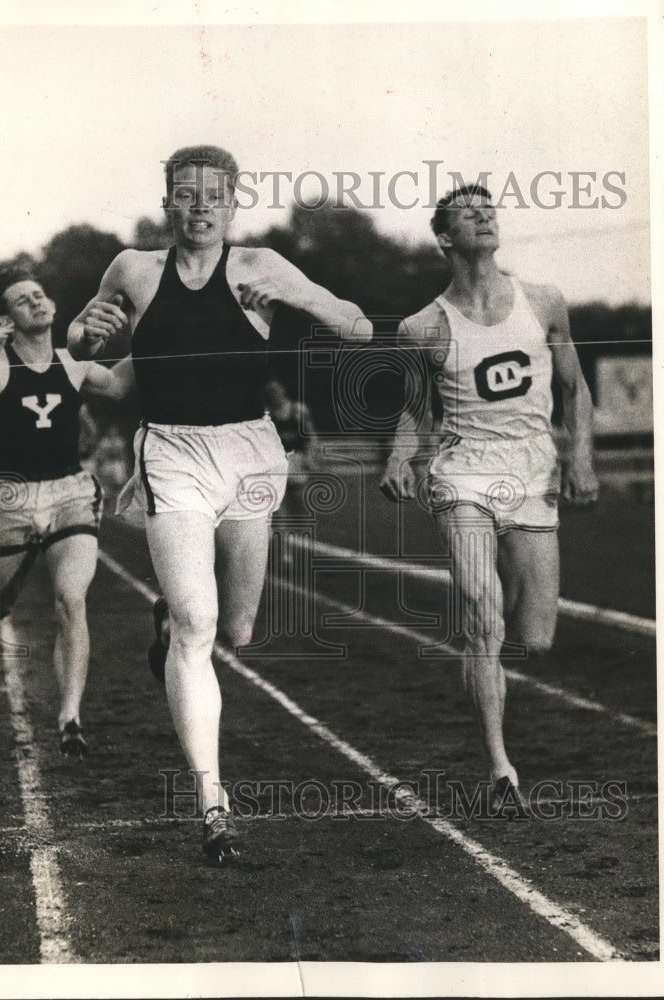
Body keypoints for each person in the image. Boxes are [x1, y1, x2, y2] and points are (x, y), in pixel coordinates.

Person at [68, 144, 372, 861]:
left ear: (233, 203)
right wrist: (88, 333)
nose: (199, 206)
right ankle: (213, 804)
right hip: (172, 451)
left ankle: (172, 623)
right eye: (185, 193)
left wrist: (302, 301)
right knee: (196, 623)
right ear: (166, 200)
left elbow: (356, 325)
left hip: (251, 453)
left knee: (235, 629)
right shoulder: (132, 268)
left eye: (213, 195)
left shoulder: (260, 266)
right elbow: (81, 337)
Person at [380, 184, 598, 817]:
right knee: (482, 612)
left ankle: (488, 670)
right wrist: (398, 456)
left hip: (532, 476)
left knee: (535, 638)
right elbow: (416, 410)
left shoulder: (545, 302)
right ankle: (501, 765)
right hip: (462, 475)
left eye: (488, 208)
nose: (483, 215)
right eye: (466, 212)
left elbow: (575, 386)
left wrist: (580, 457)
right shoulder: (421, 327)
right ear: (444, 238)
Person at [0, 266, 134, 757]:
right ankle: (8, 591)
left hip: (70, 492)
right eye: (24, 301)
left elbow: (123, 384)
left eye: (41, 295)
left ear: (54, 306)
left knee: (70, 599)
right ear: (7, 318)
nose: (37, 303)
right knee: (1, 600)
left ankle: (70, 716)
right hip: (10, 499)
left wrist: (152, 330)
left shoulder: (74, 362)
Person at [265, 378, 320, 522]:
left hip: (296, 460)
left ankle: (304, 537)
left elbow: (311, 436)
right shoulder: (266, 414)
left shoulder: (298, 410)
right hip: (276, 464)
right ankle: (283, 538)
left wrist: (310, 457)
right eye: (271, 391)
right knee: (278, 511)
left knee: (300, 507)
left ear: (283, 389)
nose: (274, 393)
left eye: (276, 389)